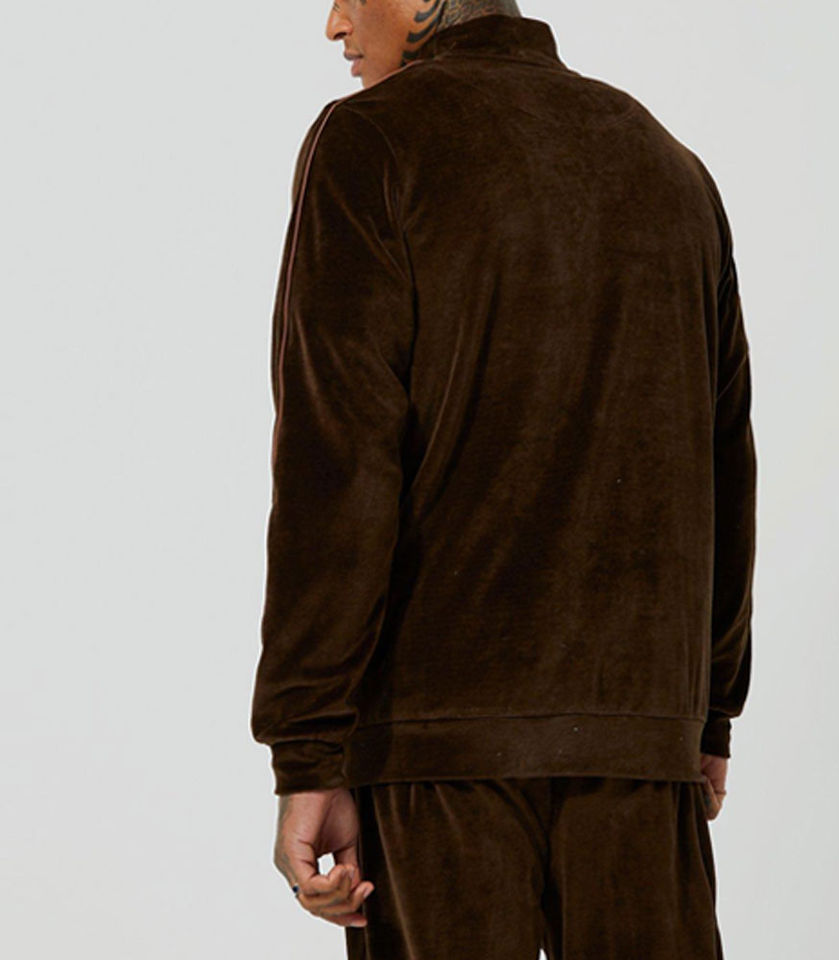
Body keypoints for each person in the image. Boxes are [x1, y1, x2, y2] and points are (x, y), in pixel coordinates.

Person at [249, 2, 757, 957]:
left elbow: (335, 466)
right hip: (642, 747)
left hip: (437, 754)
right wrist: (708, 714)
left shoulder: (371, 145)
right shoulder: (669, 164)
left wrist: (307, 748)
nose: (334, 22)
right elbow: (726, 459)